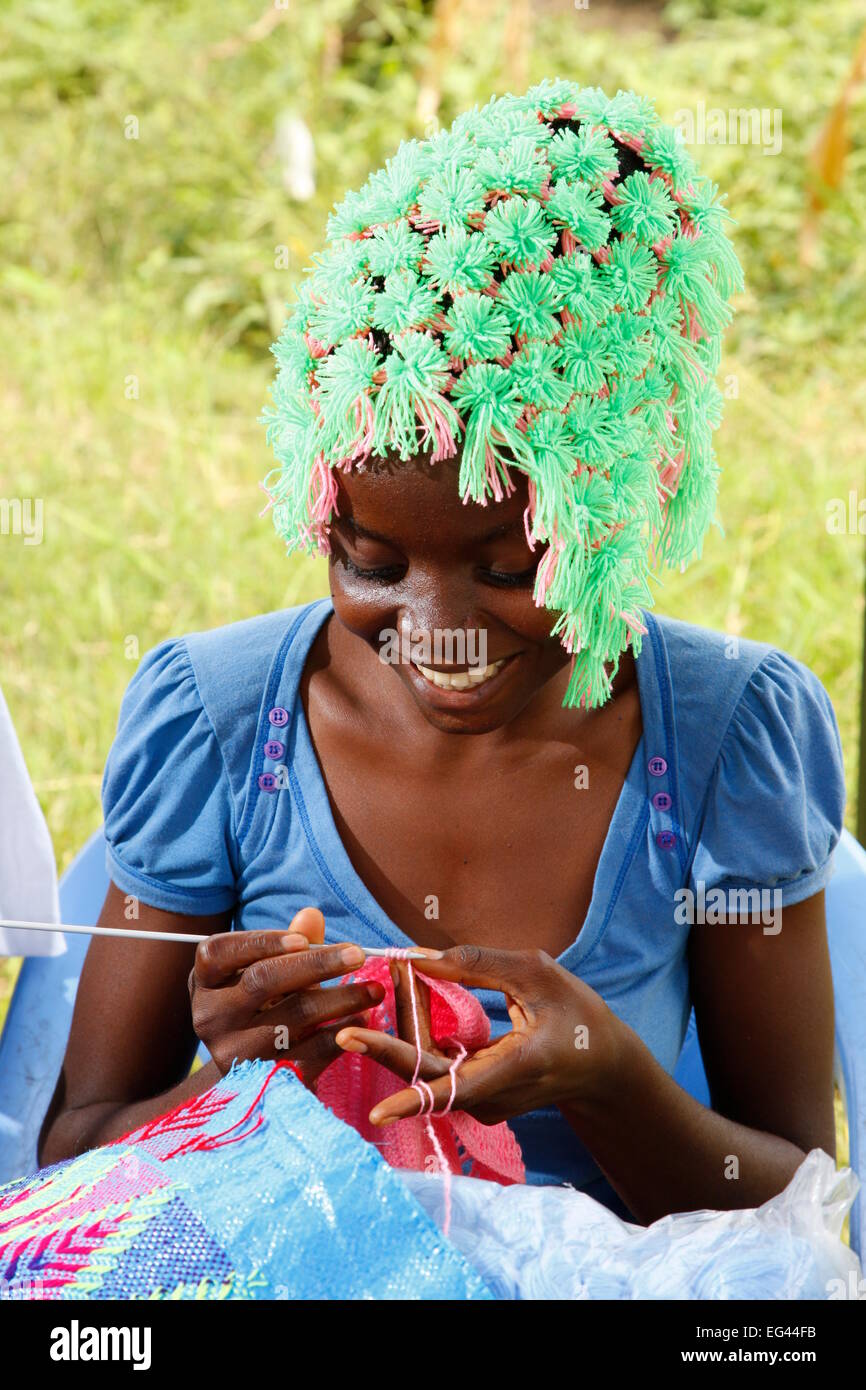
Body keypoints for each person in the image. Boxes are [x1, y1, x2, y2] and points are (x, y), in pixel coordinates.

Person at [39, 80, 845, 1226]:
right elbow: (69, 1166)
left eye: (510, 571)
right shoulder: (216, 725)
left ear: (614, 504)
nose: (434, 629)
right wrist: (243, 1082)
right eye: (370, 563)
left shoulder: (724, 737)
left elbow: (794, 1215)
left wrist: (611, 1083)